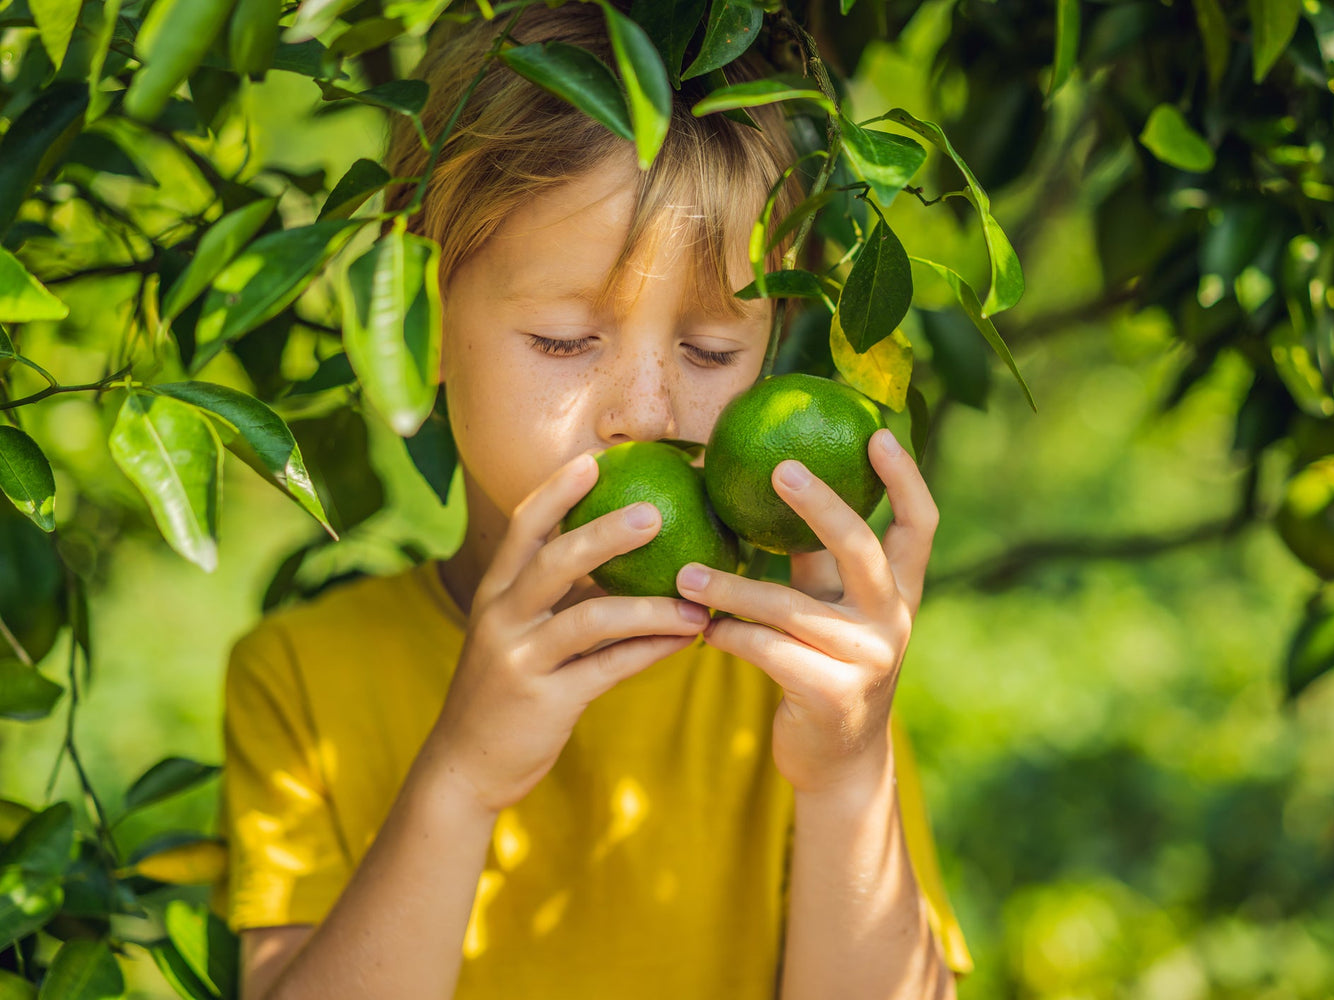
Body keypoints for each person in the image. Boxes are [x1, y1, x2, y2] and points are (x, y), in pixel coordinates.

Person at [208, 1, 974, 996]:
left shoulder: (805, 677)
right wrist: (461, 778)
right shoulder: (306, 682)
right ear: (417, 319)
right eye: (567, 341)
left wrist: (844, 777)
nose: (646, 413)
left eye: (710, 350)